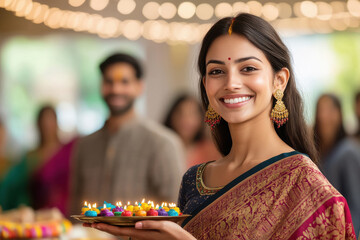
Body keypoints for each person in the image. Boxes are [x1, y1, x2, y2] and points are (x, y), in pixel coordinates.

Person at [84, 14, 356, 239]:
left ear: (279, 81)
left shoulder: (306, 186)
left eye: (248, 68)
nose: (231, 83)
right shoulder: (194, 181)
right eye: (216, 71)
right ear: (205, 85)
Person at [69, 53, 185, 215]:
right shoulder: (85, 145)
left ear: (139, 87)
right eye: (109, 82)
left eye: (124, 82)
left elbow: (174, 209)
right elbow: (75, 206)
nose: (116, 89)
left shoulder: (162, 143)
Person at [314, 94, 360, 237]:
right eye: (320, 110)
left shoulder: (348, 152)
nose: (323, 116)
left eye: (329, 110)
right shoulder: (317, 153)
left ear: (339, 114)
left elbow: (356, 206)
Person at [0, 105, 62, 210]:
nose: (47, 126)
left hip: (62, 211)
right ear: (38, 125)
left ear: (56, 124)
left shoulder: (65, 153)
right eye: (44, 122)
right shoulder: (30, 157)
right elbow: (13, 187)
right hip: (34, 212)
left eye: (50, 121)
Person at [164, 94, 221, 169]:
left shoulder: (211, 151)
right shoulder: (163, 149)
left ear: (201, 118)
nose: (185, 120)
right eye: (180, 113)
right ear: (171, 116)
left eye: (191, 114)